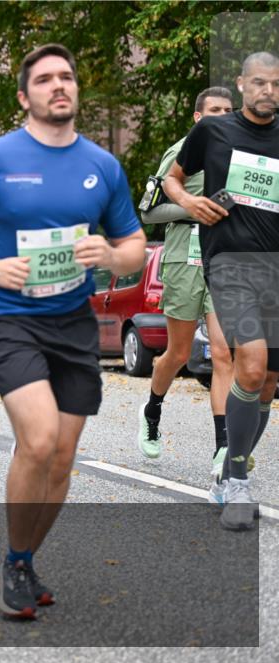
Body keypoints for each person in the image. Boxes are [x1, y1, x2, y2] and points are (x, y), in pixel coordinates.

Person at [0, 44, 146, 619]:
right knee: (40, 438)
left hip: (74, 322)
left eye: (68, 77)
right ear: (25, 96)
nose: (60, 85)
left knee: (61, 458)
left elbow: (132, 247)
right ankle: (15, 560)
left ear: (77, 91)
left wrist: (113, 253)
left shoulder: (103, 166)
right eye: (46, 79)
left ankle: (22, 560)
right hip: (10, 318)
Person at [162, 51, 279, 531]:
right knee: (248, 363)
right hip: (229, 262)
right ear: (242, 84)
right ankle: (236, 482)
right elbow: (169, 181)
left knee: (268, 381)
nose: (267, 91)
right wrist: (190, 200)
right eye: (258, 83)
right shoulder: (213, 131)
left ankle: (232, 468)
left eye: (275, 83)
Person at [137, 88, 236, 467]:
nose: (222, 115)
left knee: (224, 353)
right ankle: (151, 413)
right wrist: (193, 211)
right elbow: (149, 212)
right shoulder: (182, 151)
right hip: (184, 261)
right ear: (198, 117)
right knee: (177, 353)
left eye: (228, 110)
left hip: (225, 262)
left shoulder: (241, 154)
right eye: (214, 110)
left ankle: (224, 448)